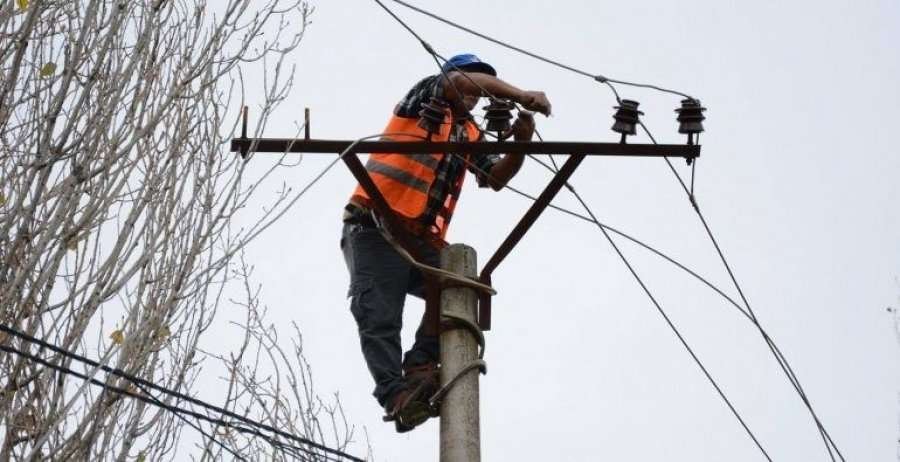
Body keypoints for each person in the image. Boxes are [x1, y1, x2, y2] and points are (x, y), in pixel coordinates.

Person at [340, 53, 551, 432]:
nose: (475, 95)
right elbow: (462, 84)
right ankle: (397, 396)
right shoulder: (424, 99)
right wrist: (521, 94)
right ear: (454, 78)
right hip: (375, 226)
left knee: (460, 293)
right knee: (379, 313)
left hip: (420, 240)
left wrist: (520, 143)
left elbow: (495, 177)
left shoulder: (469, 133)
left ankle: (421, 366)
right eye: (473, 83)